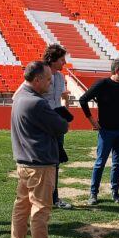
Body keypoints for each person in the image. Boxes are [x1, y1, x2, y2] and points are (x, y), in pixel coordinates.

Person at [11, 61, 68, 238]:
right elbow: (61, 127)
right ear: (37, 80)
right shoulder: (37, 102)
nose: (50, 84)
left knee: (22, 208)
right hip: (40, 163)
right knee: (40, 209)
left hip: (24, 162)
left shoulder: (19, 97)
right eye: (48, 80)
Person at [79, 58, 119, 205]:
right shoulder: (102, 84)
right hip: (106, 131)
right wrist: (92, 120)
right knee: (100, 163)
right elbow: (83, 100)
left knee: (117, 163)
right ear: (117, 70)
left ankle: (115, 193)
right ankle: (93, 194)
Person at [41, 44, 73, 210]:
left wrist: (65, 116)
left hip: (56, 122)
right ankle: (41, 197)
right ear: (52, 60)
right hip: (42, 124)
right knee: (41, 162)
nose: (64, 63)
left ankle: (54, 197)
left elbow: (61, 99)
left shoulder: (60, 77)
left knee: (56, 160)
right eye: (62, 59)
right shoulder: (40, 75)